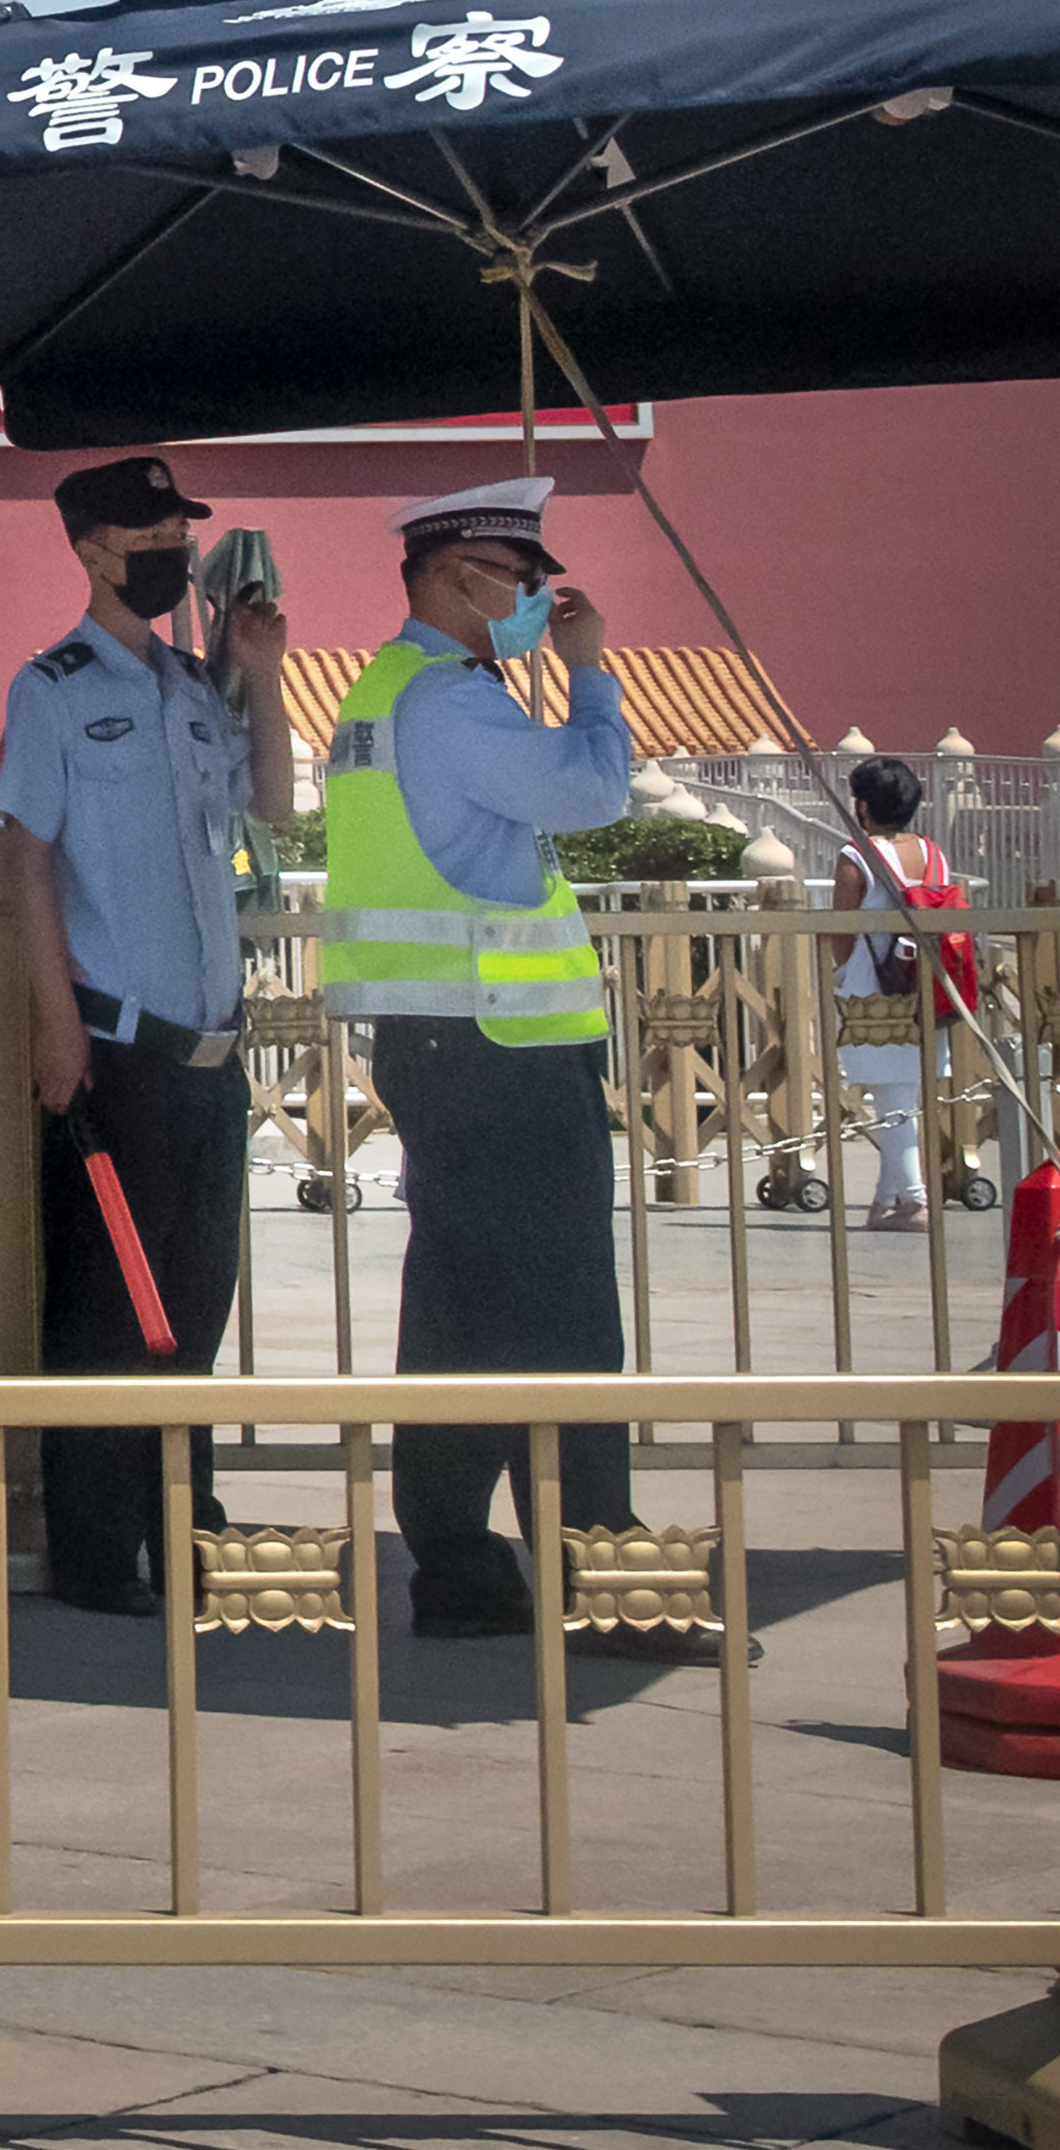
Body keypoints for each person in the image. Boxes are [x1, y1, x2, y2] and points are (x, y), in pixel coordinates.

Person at [317, 474, 701, 1659]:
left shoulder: (384, 694)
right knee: (562, 1317)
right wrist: (590, 673)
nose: (539, 597)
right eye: (521, 579)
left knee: (456, 1310)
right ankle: (603, 1581)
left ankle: (461, 1568)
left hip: (439, 1044)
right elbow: (586, 791)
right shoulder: (447, 702)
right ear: (450, 578)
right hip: (502, 1043)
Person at [0, 451, 294, 1615]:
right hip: (115, 1046)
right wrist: (52, 1024)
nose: (170, 552)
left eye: (178, 531)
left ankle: (180, 1525)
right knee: (109, 1310)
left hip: (211, 1052)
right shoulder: (52, 687)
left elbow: (266, 805)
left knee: (193, 1303)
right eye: (148, 536)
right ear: (89, 551)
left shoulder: (189, 683)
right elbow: (26, 857)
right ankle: (93, 1551)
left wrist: (258, 679)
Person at [827, 753, 972, 1231]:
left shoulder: (856, 857)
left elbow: (842, 932)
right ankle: (886, 1198)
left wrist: (846, 970)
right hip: (926, 983)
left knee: (890, 1094)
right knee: (902, 1092)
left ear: (864, 806)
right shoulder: (935, 854)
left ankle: (912, 1199)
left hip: (874, 986)